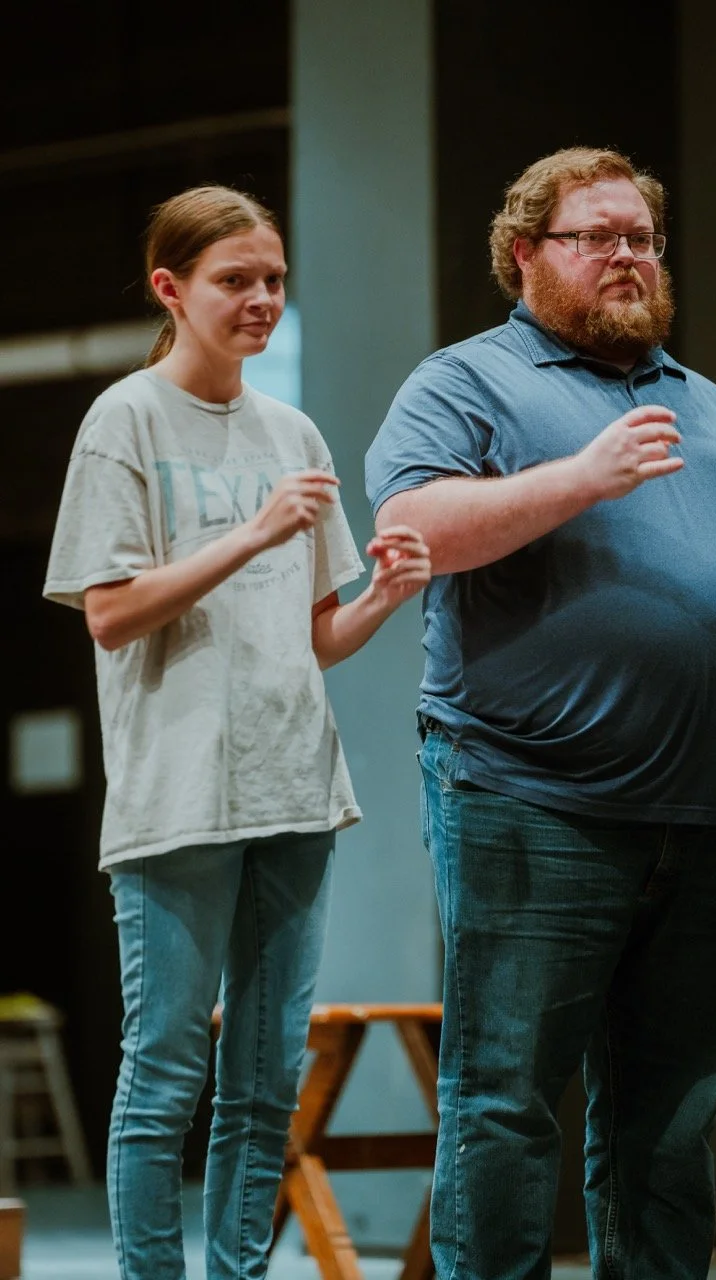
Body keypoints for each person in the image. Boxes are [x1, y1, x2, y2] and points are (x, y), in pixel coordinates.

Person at [364, 146, 716, 1280]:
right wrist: (580, 475)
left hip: (699, 814)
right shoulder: (466, 381)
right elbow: (412, 531)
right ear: (525, 253)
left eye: (642, 238)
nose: (627, 255)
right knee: (506, 1101)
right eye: (597, 237)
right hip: (531, 801)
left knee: (673, 1112)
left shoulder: (705, 402)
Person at [42, 184, 430, 1280]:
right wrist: (253, 533)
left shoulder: (290, 430)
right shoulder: (125, 419)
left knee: (265, 1083)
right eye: (235, 281)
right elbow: (110, 612)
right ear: (170, 289)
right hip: (177, 798)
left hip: (293, 788)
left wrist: (385, 594)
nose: (261, 298)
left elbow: (312, 636)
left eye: (274, 280)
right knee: (165, 1074)